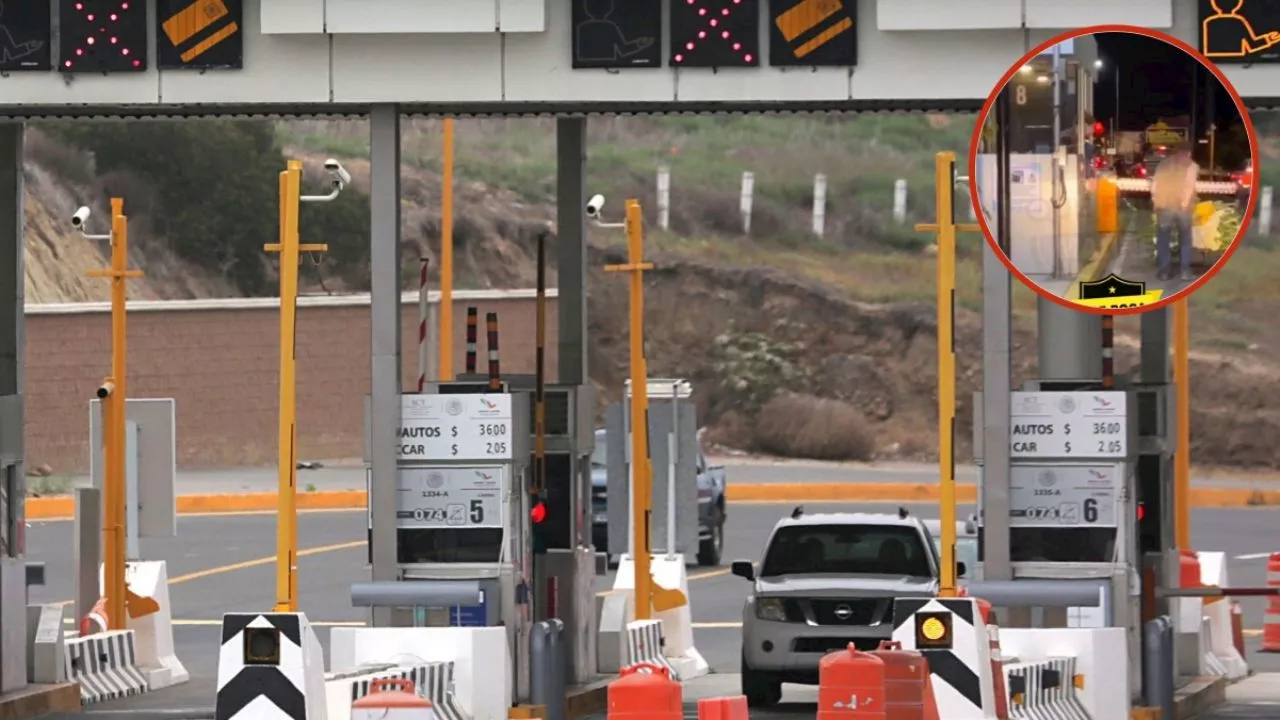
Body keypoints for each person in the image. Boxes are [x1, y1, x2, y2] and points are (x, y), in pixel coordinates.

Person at [1149, 140, 1198, 282]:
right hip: (1182, 208)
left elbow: (1155, 185)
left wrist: (1155, 201)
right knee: (1185, 239)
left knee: (1163, 239)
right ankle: (1185, 272)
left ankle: (1164, 272)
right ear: (1188, 152)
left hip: (1164, 206)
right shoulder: (1191, 165)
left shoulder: (1163, 164)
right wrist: (1184, 203)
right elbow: (1189, 185)